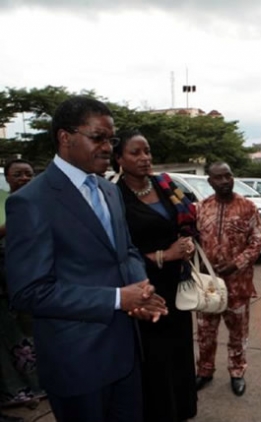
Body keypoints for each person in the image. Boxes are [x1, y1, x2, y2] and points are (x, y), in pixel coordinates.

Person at [4, 96, 168, 422]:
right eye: (98, 138)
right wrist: (118, 298)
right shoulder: (31, 202)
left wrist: (141, 291)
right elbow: (28, 291)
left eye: (111, 139)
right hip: (77, 362)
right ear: (65, 137)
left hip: (126, 353)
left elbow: (127, 251)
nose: (108, 147)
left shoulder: (109, 190)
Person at [113, 130, 198, 422]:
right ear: (119, 158)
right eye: (135, 153)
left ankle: (182, 410)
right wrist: (164, 255)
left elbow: (187, 224)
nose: (144, 158)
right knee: (154, 357)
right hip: (143, 287)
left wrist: (186, 243)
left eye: (146, 151)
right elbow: (118, 253)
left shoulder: (166, 185)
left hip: (178, 284)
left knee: (180, 350)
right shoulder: (114, 196)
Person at [195, 162, 261, 396]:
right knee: (205, 332)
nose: (225, 181)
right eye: (219, 177)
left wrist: (236, 263)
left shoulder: (247, 207)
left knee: (238, 333)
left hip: (238, 284)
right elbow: (192, 242)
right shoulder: (201, 208)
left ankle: (237, 372)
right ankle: (204, 371)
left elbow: (258, 242)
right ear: (210, 182)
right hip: (208, 286)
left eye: (228, 175)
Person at [0, 160, 42, 422]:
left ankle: (42, 383)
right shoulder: (4, 203)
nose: (24, 178)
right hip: (6, 276)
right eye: (18, 174)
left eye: (29, 173)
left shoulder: (41, 201)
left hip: (37, 275)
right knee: (11, 336)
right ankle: (18, 390)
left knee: (35, 330)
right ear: (7, 178)